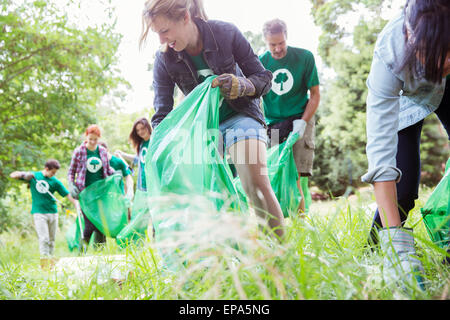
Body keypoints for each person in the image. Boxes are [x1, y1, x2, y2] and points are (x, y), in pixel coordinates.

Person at [140, 0, 285, 238]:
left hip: (242, 116)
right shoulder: (164, 59)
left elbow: (263, 77)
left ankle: (281, 257)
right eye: (157, 34)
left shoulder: (225, 33)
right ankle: (229, 260)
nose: (162, 40)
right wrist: (165, 150)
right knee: (212, 196)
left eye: (165, 31)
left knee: (254, 184)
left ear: (185, 17)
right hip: (205, 129)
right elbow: (162, 114)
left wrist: (244, 85)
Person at [362, 0, 450, 289]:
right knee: (403, 188)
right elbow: (380, 149)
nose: (446, 62)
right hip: (405, 101)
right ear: (412, 38)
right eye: (437, 54)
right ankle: (378, 252)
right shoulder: (389, 55)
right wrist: (396, 248)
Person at [259, 18, 320, 215]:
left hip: (300, 118)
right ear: (265, 42)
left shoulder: (304, 57)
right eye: (272, 45)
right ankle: (278, 223)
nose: (277, 49)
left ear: (287, 37)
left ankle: (301, 227)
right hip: (273, 124)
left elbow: (315, 94)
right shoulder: (260, 63)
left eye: (281, 43)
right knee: (274, 173)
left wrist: (303, 122)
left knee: (296, 176)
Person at [10, 159, 78, 270]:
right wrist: (23, 175)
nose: (53, 175)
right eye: (52, 172)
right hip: (39, 213)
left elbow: (67, 194)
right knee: (44, 238)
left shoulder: (54, 181)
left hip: (53, 213)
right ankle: (44, 262)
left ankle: (51, 262)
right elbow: (13, 175)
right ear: (46, 169)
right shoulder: (34, 177)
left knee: (51, 239)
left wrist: (76, 204)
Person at [67, 124, 115, 249]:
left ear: (99, 138)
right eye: (90, 139)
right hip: (85, 193)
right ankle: (81, 252)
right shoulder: (79, 151)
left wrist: (114, 174)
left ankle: (100, 254)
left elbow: (107, 169)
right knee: (88, 225)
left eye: (95, 139)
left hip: (101, 192)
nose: (93, 142)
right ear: (86, 137)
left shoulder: (103, 152)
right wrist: (71, 185)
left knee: (101, 224)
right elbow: (71, 172)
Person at [99, 141, 134, 221]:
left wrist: (130, 192)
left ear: (107, 150)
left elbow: (128, 177)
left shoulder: (118, 162)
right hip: (105, 202)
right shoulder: (97, 164)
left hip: (120, 199)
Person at [115, 117, 152, 193]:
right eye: (138, 130)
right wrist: (122, 154)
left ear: (148, 127)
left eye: (142, 128)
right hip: (142, 185)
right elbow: (138, 159)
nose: (140, 132)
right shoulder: (142, 144)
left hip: (153, 184)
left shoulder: (154, 141)